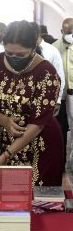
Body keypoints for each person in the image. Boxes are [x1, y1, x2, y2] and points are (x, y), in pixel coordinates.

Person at [0, 20, 64, 186]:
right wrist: (3, 120)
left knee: (38, 201)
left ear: (33, 48)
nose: (13, 58)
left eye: (20, 55)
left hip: (40, 143)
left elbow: (38, 123)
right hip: (7, 140)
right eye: (9, 53)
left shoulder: (46, 72)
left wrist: (5, 155)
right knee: (11, 198)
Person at [53, 18, 73, 170]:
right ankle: (61, 160)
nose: (69, 35)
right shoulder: (55, 47)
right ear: (61, 31)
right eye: (67, 32)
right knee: (61, 127)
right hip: (60, 95)